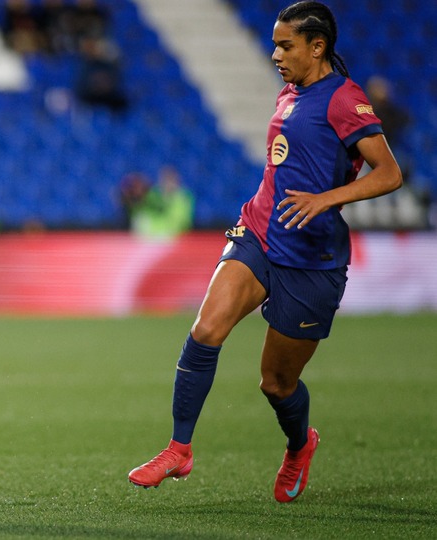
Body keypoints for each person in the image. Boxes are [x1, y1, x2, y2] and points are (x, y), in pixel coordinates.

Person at [127, 1, 402, 503]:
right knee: (205, 330)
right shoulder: (289, 93)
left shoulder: (345, 99)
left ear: (317, 46)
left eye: (285, 45)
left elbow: (389, 173)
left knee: (275, 383)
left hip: (311, 257)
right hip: (259, 231)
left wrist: (326, 199)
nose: (275, 54)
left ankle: (300, 445)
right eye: (274, 44)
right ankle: (178, 448)